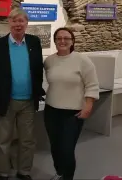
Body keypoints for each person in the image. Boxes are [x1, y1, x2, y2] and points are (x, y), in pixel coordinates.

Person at [0, 8, 45, 180]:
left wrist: (38, 91)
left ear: (26, 23)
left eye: (21, 21)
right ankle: (4, 173)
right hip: (6, 101)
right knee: (4, 141)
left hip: (28, 101)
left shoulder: (34, 42)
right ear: (9, 23)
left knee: (27, 140)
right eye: (14, 21)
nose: (18, 24)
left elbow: (37, 70)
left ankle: (24, 171)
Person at [44, 27, 99, 180]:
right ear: (54, 41)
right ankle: (60, 172)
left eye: (66, 38)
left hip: (73, 112)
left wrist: (88, 106)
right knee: (55, 147)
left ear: (72, 41)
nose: (62, 41)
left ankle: (67, 177)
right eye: (59, 38)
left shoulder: (82, 60)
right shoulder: (49, 61)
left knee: (67, 149)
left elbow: (92, 85)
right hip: (51, 110)